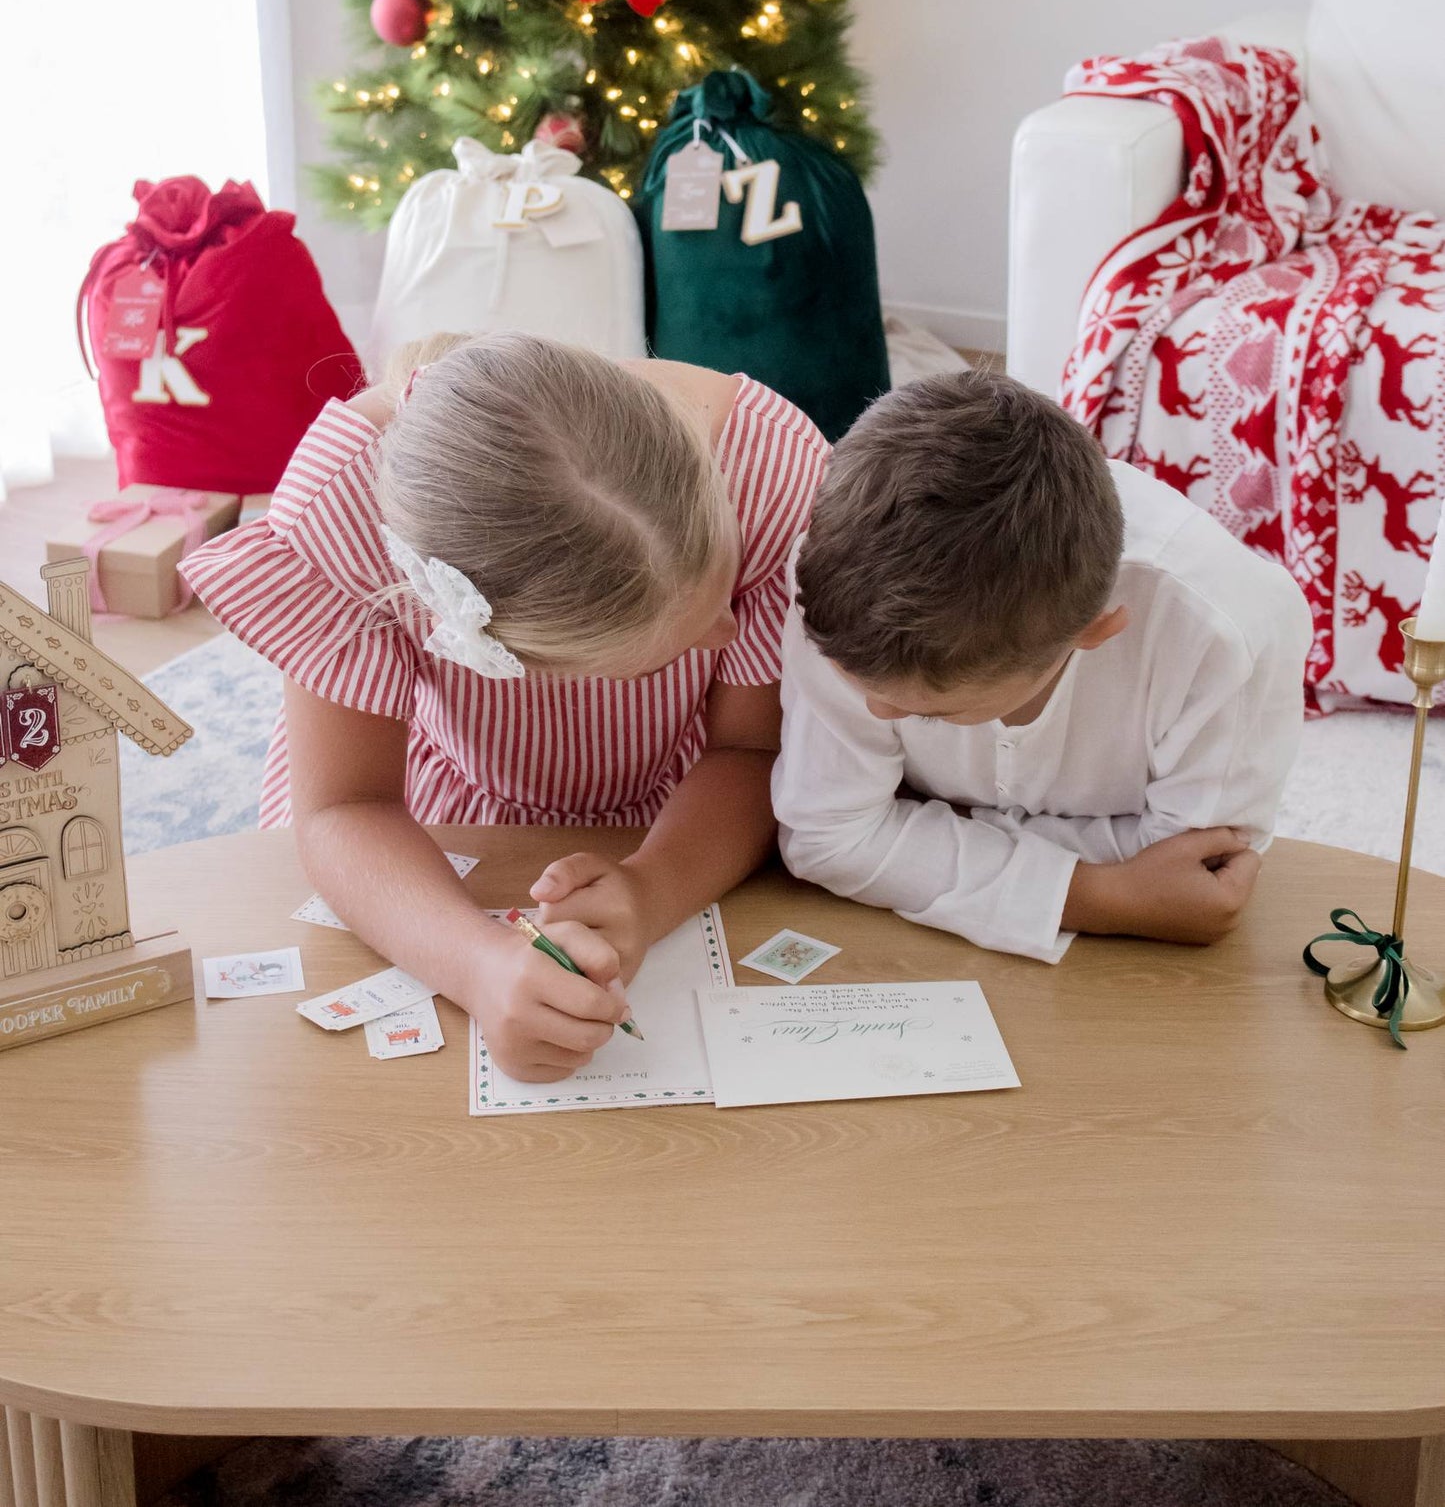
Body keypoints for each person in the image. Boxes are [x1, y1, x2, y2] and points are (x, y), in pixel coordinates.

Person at [183, 334, 826, 1077]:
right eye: (672, 649)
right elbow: (342, 806)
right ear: (503, 656)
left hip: (692, 807)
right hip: (431, 809)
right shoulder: (336, 514)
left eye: (723, 594)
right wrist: (476, 966)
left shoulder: (777, 479)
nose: (732, 634)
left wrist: (653, 887)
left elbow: (748, 750)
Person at [773, 371, 1312, 963]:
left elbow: (1206, 871)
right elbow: (824, 837)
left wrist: (917, 830)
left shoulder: (1228, 632)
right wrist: (1105, 895)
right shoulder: (840, 579)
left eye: (933, 714)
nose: (875, 711)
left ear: (1093, 633)